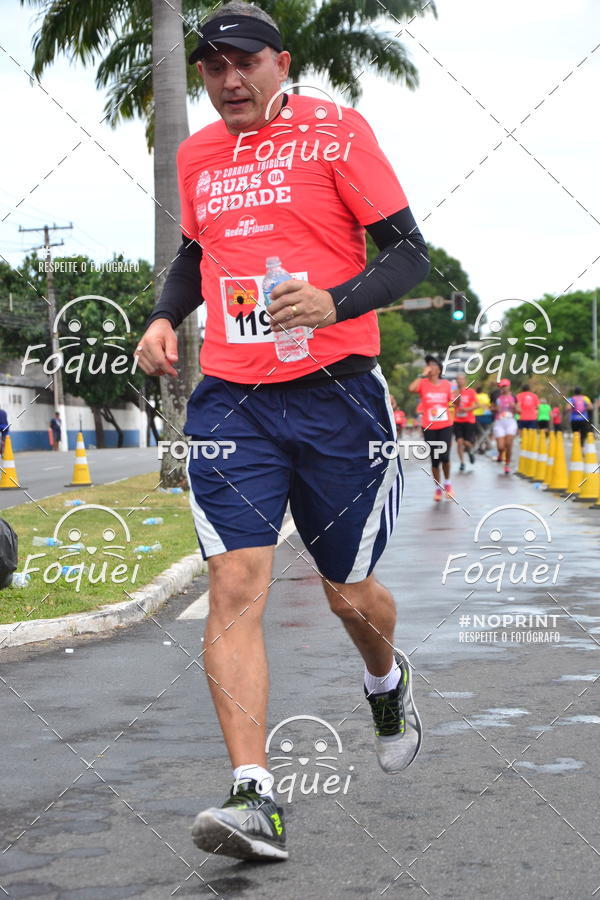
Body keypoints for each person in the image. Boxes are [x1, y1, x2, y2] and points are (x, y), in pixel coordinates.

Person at [136, 1, 429, 863]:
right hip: (234, 399)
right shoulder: (196, 154)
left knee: (349, 591)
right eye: (213, 66)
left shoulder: (338, 133)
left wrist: (335, 301)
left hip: (338, 395)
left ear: (280, 62)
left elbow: (410, 253)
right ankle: (253, 796)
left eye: (244, 63)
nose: (228, 80)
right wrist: (164, 317)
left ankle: (386, 678)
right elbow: (196, 254)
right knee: (235, 581)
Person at [408, 355, 454, 501]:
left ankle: (448, 484)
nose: (430, 367)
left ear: (439, 369)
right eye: (428, 364)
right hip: (429, 425)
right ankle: (437, 489)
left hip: (445, 424)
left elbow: (452, 400)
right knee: (435, 459)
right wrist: (421, 375)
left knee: (445, 456)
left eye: (433, 365)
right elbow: (411, 388)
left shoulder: (446, 384)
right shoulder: (423, 383)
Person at [491, 379, 517, 474]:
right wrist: (495, 409)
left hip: (510, 422)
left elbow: (519, 410)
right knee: (501, 446)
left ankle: (507, 464)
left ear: (509, 386)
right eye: (502, 386)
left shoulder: (513, 397)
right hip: (499, 423)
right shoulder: (496, 397)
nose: (504, 388)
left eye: (505, 386)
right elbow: (491, 408)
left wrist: (514, 406)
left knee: (509, 444)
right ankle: (500, 453)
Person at [452, 374, 477, 471]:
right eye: (458, 379)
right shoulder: (454, 392)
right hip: (457, 420)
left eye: (462, 379)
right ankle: (462, 462)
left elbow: (477, 405)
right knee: (459, 442)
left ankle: (471, 452)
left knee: (466, 442)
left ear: (465, 380)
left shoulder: (471, 392)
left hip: (469, 420)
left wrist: (467, 409)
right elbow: (454, 404)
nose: (460, 381)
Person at [473, 384, 492, 452]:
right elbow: (489, 405)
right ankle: (485, 445)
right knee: (484, 431)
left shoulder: (474, 396)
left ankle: (479, 446)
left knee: (477, 433)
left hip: (476, 416)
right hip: (486, 416)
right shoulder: (485, 396)